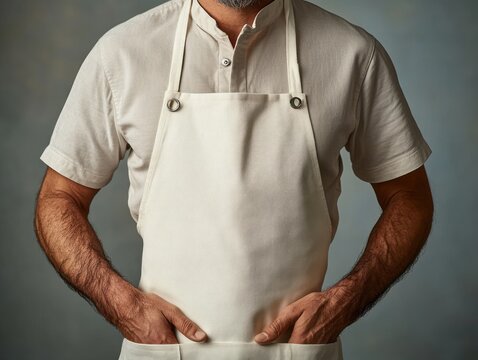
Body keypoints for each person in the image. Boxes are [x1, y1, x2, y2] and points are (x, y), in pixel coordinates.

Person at [34, 0, 434, 359]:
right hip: (163, 351)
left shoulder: (352, 54)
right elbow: (59, 196)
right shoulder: (122, 52)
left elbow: (409, 196)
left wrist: (344, 303)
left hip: (298, 352)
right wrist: (123, 306)